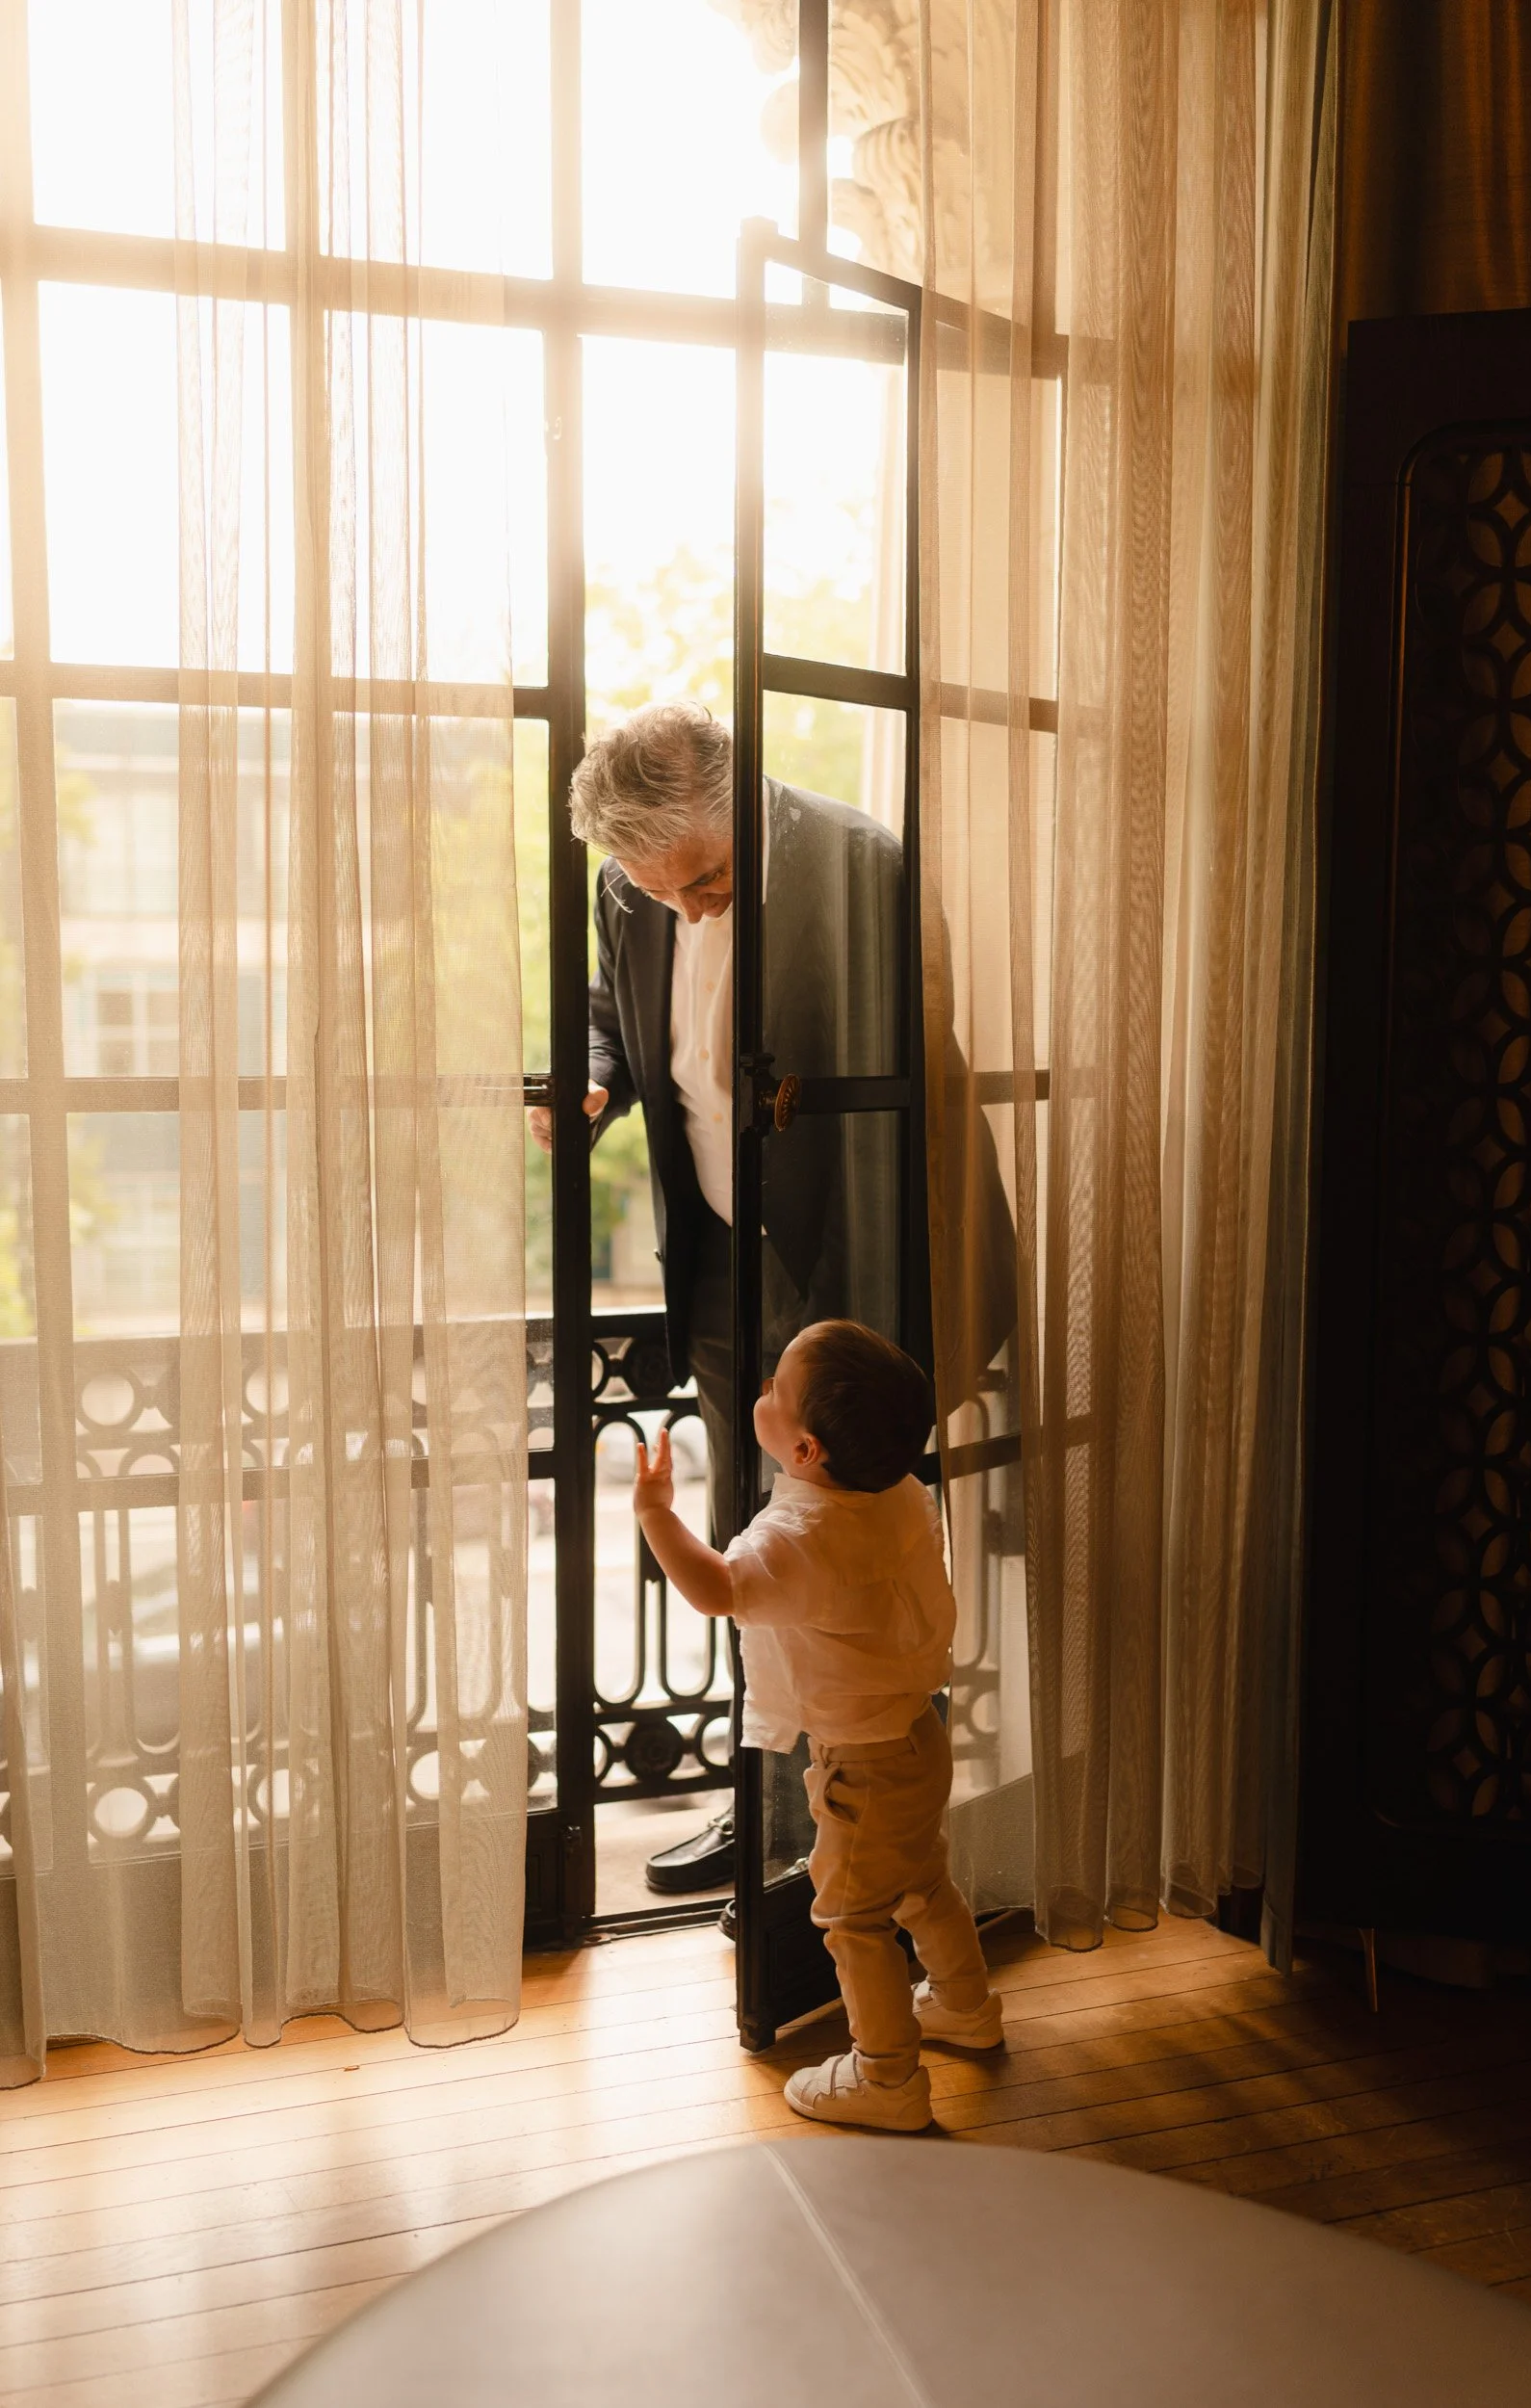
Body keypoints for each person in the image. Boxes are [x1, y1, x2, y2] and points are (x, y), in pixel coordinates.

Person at [531, 701, 904, 1896]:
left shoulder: (858, 864)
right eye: (662, 892)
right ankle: (770, 1825)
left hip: (843, 1254)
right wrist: (589, 1082)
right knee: (751, 1536)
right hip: (716, 1263)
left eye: (706, 882)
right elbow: (612, 1011)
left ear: (743, 799)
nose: (686, 908)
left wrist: (879, 1285)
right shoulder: (634, 892)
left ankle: (873, 1837)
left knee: (854, 1543)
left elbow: (914, 1069)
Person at [632, 1317, 1004, 2132]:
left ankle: (888, 2079)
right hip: (916, 1733)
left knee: (850, 1919)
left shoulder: (801, 1540)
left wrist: (657, 1511)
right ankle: (963, 2005)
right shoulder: (897, 1492)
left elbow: (719, 1589)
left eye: (774, 1388)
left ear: (804, 1451)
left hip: (861, 1766)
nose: (761, 1388)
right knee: (921, 1882)